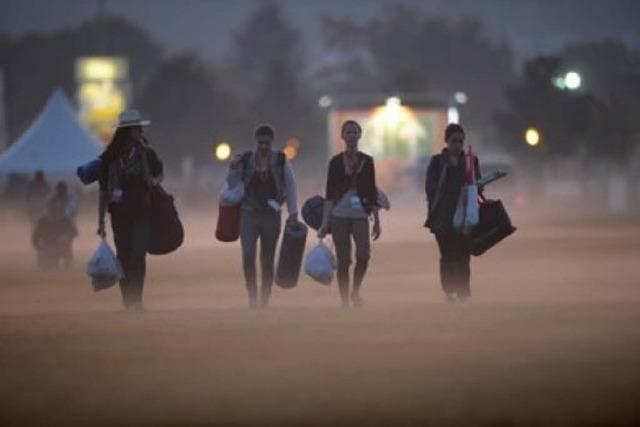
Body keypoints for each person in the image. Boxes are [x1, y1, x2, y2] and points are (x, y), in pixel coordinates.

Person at [97, 109, 163, 312]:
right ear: (128, 130)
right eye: (136, 127)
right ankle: (128, 300)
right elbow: (103, 190)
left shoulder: (147, 152)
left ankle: (137, 299)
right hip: (119, 215)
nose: (140, 130)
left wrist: (154, 181)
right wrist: (100, 221)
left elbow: (159, 172)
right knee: (124, 257)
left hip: (142, 211)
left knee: (138, 255)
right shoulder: (110, 157)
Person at [227, 124, 299, 309]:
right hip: (249, 214)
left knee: (267, 258)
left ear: (272, 142)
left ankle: (265, 298)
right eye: (261, 143)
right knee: (248, 254)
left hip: (271, 216)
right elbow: (231, 183)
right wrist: (234, 167)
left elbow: (290, 186)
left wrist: (293, 213)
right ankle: (252, 294)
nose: (264, 146)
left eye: (267, 143)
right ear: (255, 141)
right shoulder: (246, 159)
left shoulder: (281, 160)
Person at [318, 120, 381, 308]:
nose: (352, 135)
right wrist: (324, 223)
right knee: (343, 259)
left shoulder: (367, 161)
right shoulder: (336, 162)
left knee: (363, 255)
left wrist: (377, 220)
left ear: (360, 135)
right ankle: (344, 299)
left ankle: (355, 291)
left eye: (355, 132)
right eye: (348, 132)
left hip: (361, 213)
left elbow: (372, 191)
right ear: (342, 136)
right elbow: (329, 194)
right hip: (339, 215)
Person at [424, 123, 481, 303]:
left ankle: (463, 292)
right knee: (447, 255)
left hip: (465, 215)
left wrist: (477, 187)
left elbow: (477, 184)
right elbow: (429, 188)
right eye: (454, 141)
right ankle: (449, 291)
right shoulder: (437, 162)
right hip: (443, 216)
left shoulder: (471, 161)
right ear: (447, 141)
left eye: (460, 141)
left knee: (463, 254)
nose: (457, 145)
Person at [32, 193, 78, 271]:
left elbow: (74, 232)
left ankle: (66, 264)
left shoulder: (65, 219)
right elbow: (35, 237)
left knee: (66, 255)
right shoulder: (43, 220)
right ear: (49, 207)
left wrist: (66, 238)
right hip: (47, 246)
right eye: (52, 206)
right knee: (47, 267)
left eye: (56, 207)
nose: (54, 209)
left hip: (61, 246)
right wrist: (39, 247)